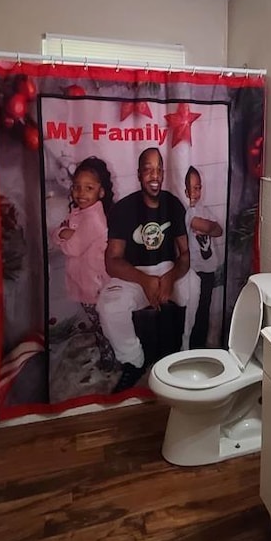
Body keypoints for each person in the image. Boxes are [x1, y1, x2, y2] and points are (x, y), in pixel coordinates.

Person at [97, 147, 199, 391]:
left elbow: (185, 254)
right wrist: (144, 280)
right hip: (133, 273)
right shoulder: (123, 209)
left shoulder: (173, 204)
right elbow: (112, 261)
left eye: (158, 170)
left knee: (193, 284)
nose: (154, 175)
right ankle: (134, 360)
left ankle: (183, 350)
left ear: (163, 173)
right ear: (138, 174)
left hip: (167, 269)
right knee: (108, 305)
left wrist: (171, 277)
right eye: (147, 170)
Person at [50, 156, 116, 370]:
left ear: (101, 192)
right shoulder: (79, 212)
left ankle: (112, 356)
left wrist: (63, 234)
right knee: (98, 321)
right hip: (84, 279)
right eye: (77, 187)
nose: (81, 193)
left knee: (102, 324)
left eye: (89, 188)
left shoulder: (94, 220)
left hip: (95, 284)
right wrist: (63, 232)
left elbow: (71, 247)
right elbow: (59, 234)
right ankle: (109, 349)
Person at [184, 166, 223, 348]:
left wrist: (209, 226)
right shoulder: (189, 212)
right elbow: (208, 227)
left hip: (208, 269)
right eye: (191, 188)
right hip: (195, 270)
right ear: (185, 191)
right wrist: (208, 226)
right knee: (194, 312)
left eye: (198, 187)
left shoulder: (204, 210)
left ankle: (200, 347)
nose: (195, 192)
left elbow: (218, 230)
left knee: (205, 309)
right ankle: (191, 347)